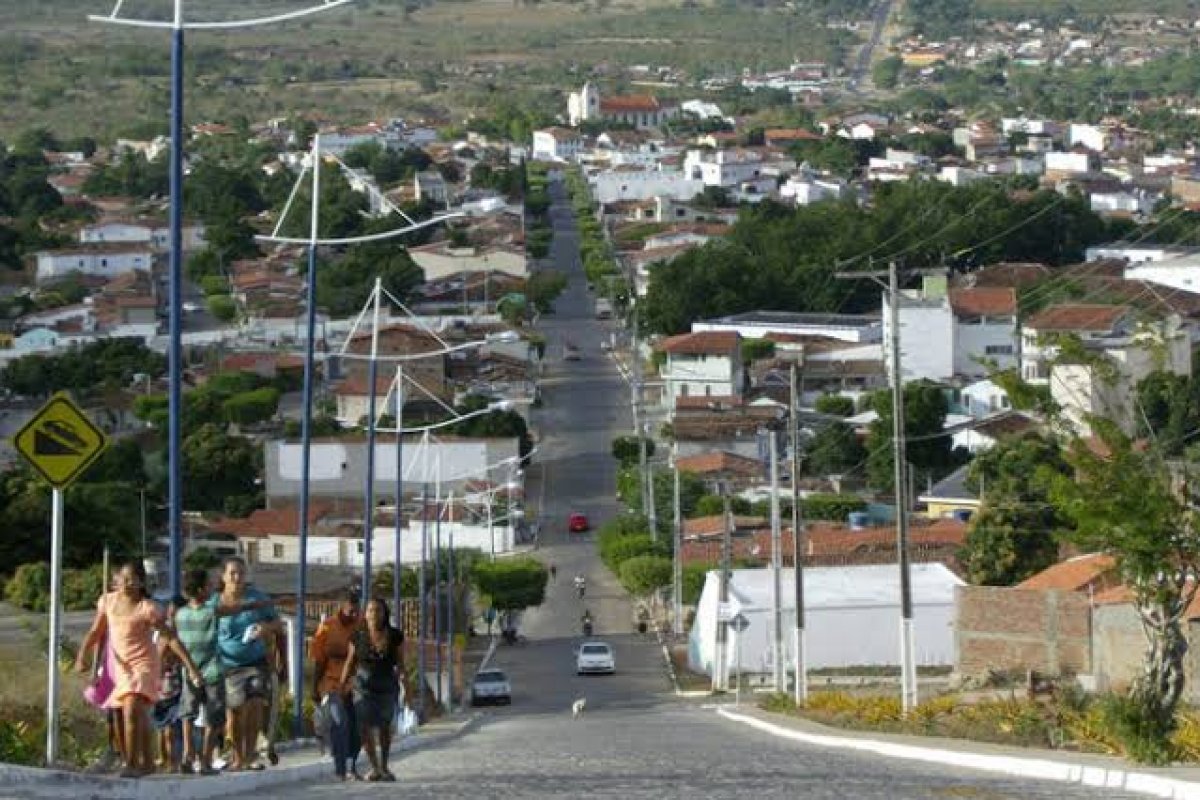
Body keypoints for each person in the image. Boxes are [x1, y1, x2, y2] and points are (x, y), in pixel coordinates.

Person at [75, 561, 202, 778]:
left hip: (143, 664)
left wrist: (191, 667)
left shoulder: (148, 608)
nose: (126, 584)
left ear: (141, 582)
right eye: (123, 579)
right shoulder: (108, 602)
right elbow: (96, 631)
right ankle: (146, 762)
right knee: (135, 715)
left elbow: (169, 637)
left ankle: (132, 764)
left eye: (132, 579)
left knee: (132, 708)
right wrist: (82, 655)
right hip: (119, 666)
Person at [215, 557, 280, 773]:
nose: (237, 578)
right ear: (223, 576)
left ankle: (250, 754)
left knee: (253, 706)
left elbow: (277, 623)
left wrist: (265, 628)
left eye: (241, 573)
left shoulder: (257, 599)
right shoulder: (216, 602)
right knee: (235, 711)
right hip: (228, 665)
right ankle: (237, 756)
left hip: (256, 661)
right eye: (232, 573)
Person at [340, 598, 404, 783]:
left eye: (378, 610)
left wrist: (406, 686)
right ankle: (374, 767)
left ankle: (384, 766)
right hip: (363, 687)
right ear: (365, 614)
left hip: (386, 687)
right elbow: (350, 662)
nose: (374, 614)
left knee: (384, 728)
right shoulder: (357, 636)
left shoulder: (394, 636)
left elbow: (400, 664)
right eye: (370, 610)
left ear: (384, 613)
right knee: (364, 727)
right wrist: (342, 685)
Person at [175, 569, 225, 776]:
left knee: (188, 713)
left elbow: (176, 641)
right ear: (201, 590)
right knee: (214, 716)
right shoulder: (212, 611)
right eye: (209, 586)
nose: (212, 589)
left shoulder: (180, 614)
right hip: (212, 669)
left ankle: (188, 754)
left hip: (189, 670)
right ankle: (204, 760)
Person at [311, 589, 362, 781]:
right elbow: (318, 660)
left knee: (357, 726)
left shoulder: (362, 626)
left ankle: (352, 765)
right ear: (342, 607)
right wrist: (314, 687)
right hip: (331, 683)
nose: (354, 615)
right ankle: (340, 768)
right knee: (339, 722)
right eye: (351, 611)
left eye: (357, 611)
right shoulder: (327, 627)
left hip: (355, 684)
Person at [153, 597, 187, 773]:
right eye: (170, 614)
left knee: (174, 729)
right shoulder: (161, 634)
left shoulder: (184, 633)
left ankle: (176, 761)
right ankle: (164, 760)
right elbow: (156, 657)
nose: (172, 617)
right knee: (162, 729)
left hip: (179, 685)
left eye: (176, 614)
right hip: (161, 687)